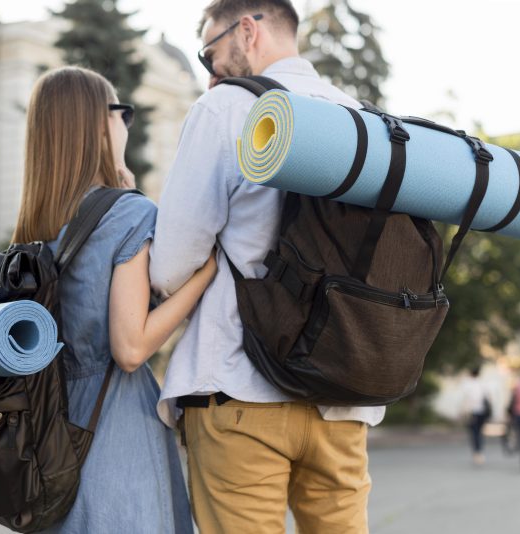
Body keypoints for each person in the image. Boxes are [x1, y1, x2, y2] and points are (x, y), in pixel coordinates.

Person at [150, 1, 383, 532]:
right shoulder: (364, 120)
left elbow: (170, 266)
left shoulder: (226, 108)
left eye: (209, 52)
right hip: (342, 397)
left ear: (247, 30)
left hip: (239, 387)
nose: (210, 70)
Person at [12, 66, 216, 533]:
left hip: (48, 431)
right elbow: (130, 349)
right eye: (120, 112)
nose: (126, 122)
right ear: (99, 124)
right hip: (115, 424)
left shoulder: (33, 226)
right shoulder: (128, 213)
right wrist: (203, 277)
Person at [460, 366, 491, 466]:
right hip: (482, 412)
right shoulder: (482, 383)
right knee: (480, 432)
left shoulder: (467, 384)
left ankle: (477, 452)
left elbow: (465, 399)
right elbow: (488, 397)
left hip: (472, 412)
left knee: (474, 432)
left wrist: (463, 411)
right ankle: (479, 451)